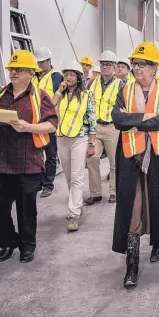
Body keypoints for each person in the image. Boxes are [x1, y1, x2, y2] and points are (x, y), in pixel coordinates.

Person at [0, 50, 58, 263]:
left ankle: (27, 246)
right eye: (11, 69)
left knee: (26, 209)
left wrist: (28, 127)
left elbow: (52, 124)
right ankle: (7, 242)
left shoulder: (40, 97)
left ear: (31, 72)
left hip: (27, 162)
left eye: (18, 69)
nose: (13, 72)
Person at [112, 41, 159, 288]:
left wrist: (135, 121)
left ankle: (158, 242)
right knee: (133, 208)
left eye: (142, 64)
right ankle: (132, 266)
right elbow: (117, 119)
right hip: (132, 158)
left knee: (158, 202)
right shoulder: (125, 90)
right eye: (134, 64)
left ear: (154, 68)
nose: (136, 68)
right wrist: (144, 117)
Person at [52, 61, 97, 232]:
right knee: (69, 176)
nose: (68, 77)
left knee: (77, 176)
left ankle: (73, 214)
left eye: (72, 75)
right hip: (61, 138)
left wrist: (92, 143)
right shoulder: (60, 95)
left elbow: (92, 120)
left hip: (80, 138)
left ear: (78, 78)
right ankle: (76, 205)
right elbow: (48, 106)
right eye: (66, 75)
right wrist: (59, 90)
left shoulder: (86, 95)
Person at [84, 51, 124, 205]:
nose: (105, 67)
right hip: (95, 128)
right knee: (92, 158)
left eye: (108, 64)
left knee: (115, 162)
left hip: (113, 127)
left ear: (114, 67)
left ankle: (113, 192)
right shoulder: (91, 83)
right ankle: (95, 193)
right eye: (103, 64)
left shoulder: (121, 84)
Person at [32, 47, 63, 198]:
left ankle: (48, 185)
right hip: (33, 121)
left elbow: (60, 97)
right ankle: (37, 182)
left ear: (48, 61)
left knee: (50, 154)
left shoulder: (56, 77)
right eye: (37, 62)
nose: (38, 65)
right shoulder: (33, 76)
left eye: (41, 62)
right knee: (36, 153)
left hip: (49, 121)